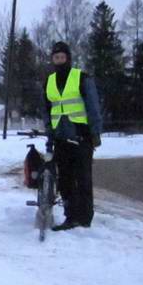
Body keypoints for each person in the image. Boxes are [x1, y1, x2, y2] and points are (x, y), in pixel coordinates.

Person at [43, 41, 103, 231]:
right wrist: (50, 134)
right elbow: (47, 110)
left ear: (68, 58)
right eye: (56, 57)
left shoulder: (81, 78)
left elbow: (93, 107)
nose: (59, 60)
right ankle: (70, 216)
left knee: (83, 178)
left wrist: (95, 133)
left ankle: (84, 218)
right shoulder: (49, 81)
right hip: (60, 136)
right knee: (65, 180)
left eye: (62, 57)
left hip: (80, 136)